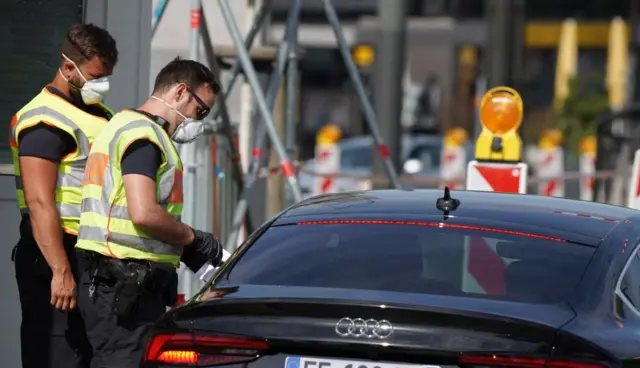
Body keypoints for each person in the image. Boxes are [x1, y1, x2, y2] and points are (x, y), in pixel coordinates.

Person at [74, 57, 224, 367]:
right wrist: (194, 239)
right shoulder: (145, 138)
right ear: (180, 92)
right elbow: (143, 213)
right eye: (201, 111)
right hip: (122, 284)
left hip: (116, 280)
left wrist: (192, 256)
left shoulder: (123, 125)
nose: (199, 121)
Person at [10, 24, 118, 368]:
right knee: (59, 355)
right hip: (56, 254)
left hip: (90, 254)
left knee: (87, 354)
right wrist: (60, 270)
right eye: (95, 76)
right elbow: (40, 202)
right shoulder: (45, 121)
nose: (102, 85)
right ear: (68, 68)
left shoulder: (99, 114)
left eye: (106, 76)